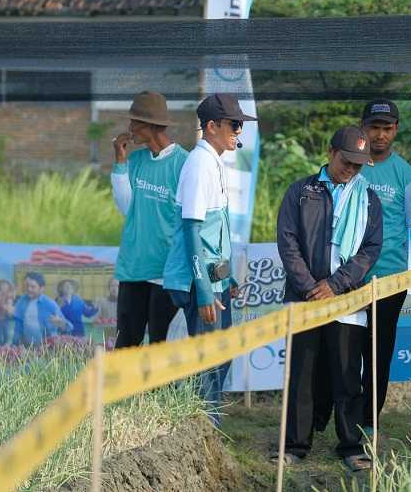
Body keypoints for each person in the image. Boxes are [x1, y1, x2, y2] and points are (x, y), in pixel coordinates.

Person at [276, 125, 382, 471]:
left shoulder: (368, 197)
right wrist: (310, 287)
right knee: (302, 374)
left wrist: (335, 285)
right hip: (305, 298)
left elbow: (370, 249)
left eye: (358, 164)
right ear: (329, 152)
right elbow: (288, 242)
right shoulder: (301, 191)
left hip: (346, 299)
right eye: (346, 161)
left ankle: (351, 446)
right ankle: (294, 445)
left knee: (347, 375)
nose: (351, 169)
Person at [163, 93, 254, 420]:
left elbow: (212, 236)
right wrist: (203, 290)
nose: (239, 131)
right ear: (212, 126)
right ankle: (204, 429)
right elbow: (191, 231)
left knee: (220, 355)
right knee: (207, 364)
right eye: (234, 124)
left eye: (241, 125)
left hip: (211, 280)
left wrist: (225, 278)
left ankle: (205, 423)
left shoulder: (212, 160)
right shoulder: (200, 163)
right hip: (196, 282)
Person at [358, 100, 411, 432]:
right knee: (344, 352)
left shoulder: (407, 176)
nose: (380, 135)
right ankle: (341, 416)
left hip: (389, 280)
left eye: (387, 128)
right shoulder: (350, 165)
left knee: (378, 352)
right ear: (363, 128)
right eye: (374, 127)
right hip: (347, 279)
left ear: (396, 130)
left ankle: (368, 420)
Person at [111, 91, 188, 348]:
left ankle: (159, 391)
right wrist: (120, 162)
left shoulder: (184, 164)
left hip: (167, 272)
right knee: (126, 344)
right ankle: (124, 391)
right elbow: (126, 207)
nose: (130, 128)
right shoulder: (136, 160)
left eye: (135, 122)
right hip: (133, 267)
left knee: (159, 346)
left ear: (152, 127)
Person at [12, 272, 73, 346]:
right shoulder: (21, 301)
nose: (29, 289)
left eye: (33, 287)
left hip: (47, 347)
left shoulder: (50, 304)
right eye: (27, 286)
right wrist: (14, 344)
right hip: (27, 347)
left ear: (42, 288)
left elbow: (69, 327)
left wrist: (62, 324)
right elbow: (18, 326)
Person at [0, 278, 15, 346]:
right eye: (3, 285)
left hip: (5, 318)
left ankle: (6, 346)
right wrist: (7, 307)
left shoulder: (8, 295)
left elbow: (11, 300)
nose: (5, 287)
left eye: (6, 285)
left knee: (6, 333)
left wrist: (9, 307)